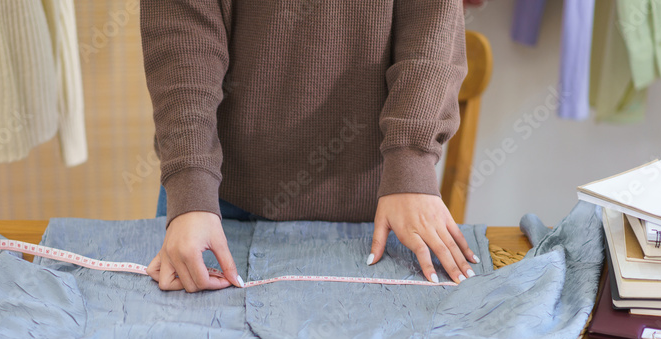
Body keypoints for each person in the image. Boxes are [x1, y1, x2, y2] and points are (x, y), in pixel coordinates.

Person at [140, 0, 479, 292]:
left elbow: (431, 25)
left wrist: (411, 162)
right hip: (212, 206)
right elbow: (182, 44)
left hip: (386, 206)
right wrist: (191, 188)